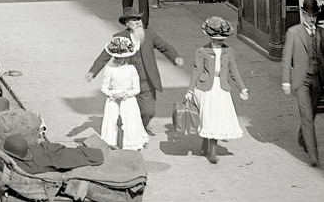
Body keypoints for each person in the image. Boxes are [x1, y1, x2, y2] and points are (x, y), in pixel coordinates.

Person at [88, 13, 181, 131]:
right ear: (127, 24)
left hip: (147, 81)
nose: (138, 22)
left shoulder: (150, 35)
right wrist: (93, 71)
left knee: (148, 111)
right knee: (127, 111)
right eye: (134, 20)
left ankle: (140, 127)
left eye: (139, 19)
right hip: (127, 83)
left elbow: (165, 47)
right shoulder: (119, 37)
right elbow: (106, 54)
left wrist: (175, 57)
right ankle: (131, 131)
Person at [281, 0, 324, 169]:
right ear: (303, 14)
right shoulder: (293, 32)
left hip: (317, 79)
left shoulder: (323, 33)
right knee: (307, 115)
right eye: (309, 15)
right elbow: (286, 58)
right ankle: (313, 154)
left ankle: (302, 137)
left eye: (315, 16)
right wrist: (285, 81)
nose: (312, 19)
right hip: (301, 81)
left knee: (311, 113)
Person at [190, 13, 250, 163]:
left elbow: (233, 71)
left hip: (221, 87)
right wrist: (190, 90)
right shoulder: (201, 51)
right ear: (210, 38)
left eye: (221, 40)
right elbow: (196, 71)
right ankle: (205, 140)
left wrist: (242, 88)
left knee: (216, 117)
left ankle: (213, 150)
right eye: (216, 40)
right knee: (207, 116)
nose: (219, 43)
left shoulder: (228, 52)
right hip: (206, 88)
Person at [97, 28, 148, 149]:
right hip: (113, 100)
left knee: (129, 121)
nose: (117, 60)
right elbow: (104, 87)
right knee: (113, 120)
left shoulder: (131, 69)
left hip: (128, 100)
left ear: (125, 58)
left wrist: (125, 94)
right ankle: (112, 142)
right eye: (115, 57)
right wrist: (112, 94)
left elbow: (137, 89)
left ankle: (130, 142)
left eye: (120, 58)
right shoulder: (109, 69)